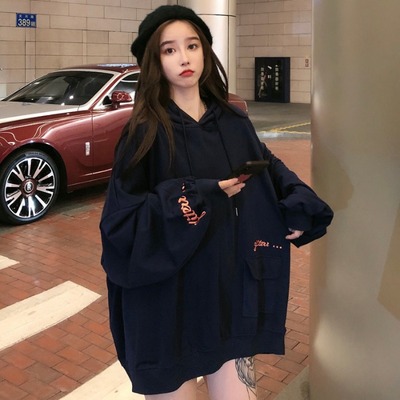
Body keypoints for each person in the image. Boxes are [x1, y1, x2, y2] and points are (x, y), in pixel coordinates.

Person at [100, 5, 333, 400]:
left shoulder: (232, 121)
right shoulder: (144, 132)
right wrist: (196, 195)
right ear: (155, 61)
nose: (184, 58)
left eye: (192, 46)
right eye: (170, 50)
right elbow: (121, 225)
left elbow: (266, 165)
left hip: (226, 294)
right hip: (166, 304)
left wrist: (297, 201)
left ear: (205, 51)